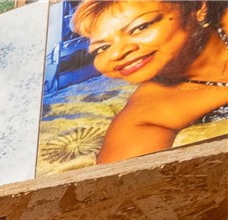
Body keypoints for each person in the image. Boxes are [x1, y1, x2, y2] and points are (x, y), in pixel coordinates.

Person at [72, 0, 228, 161]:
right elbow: (123, 182)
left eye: (140, 27)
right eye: (102, 48)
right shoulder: (144, 113)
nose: (116, 54)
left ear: (198, 7)